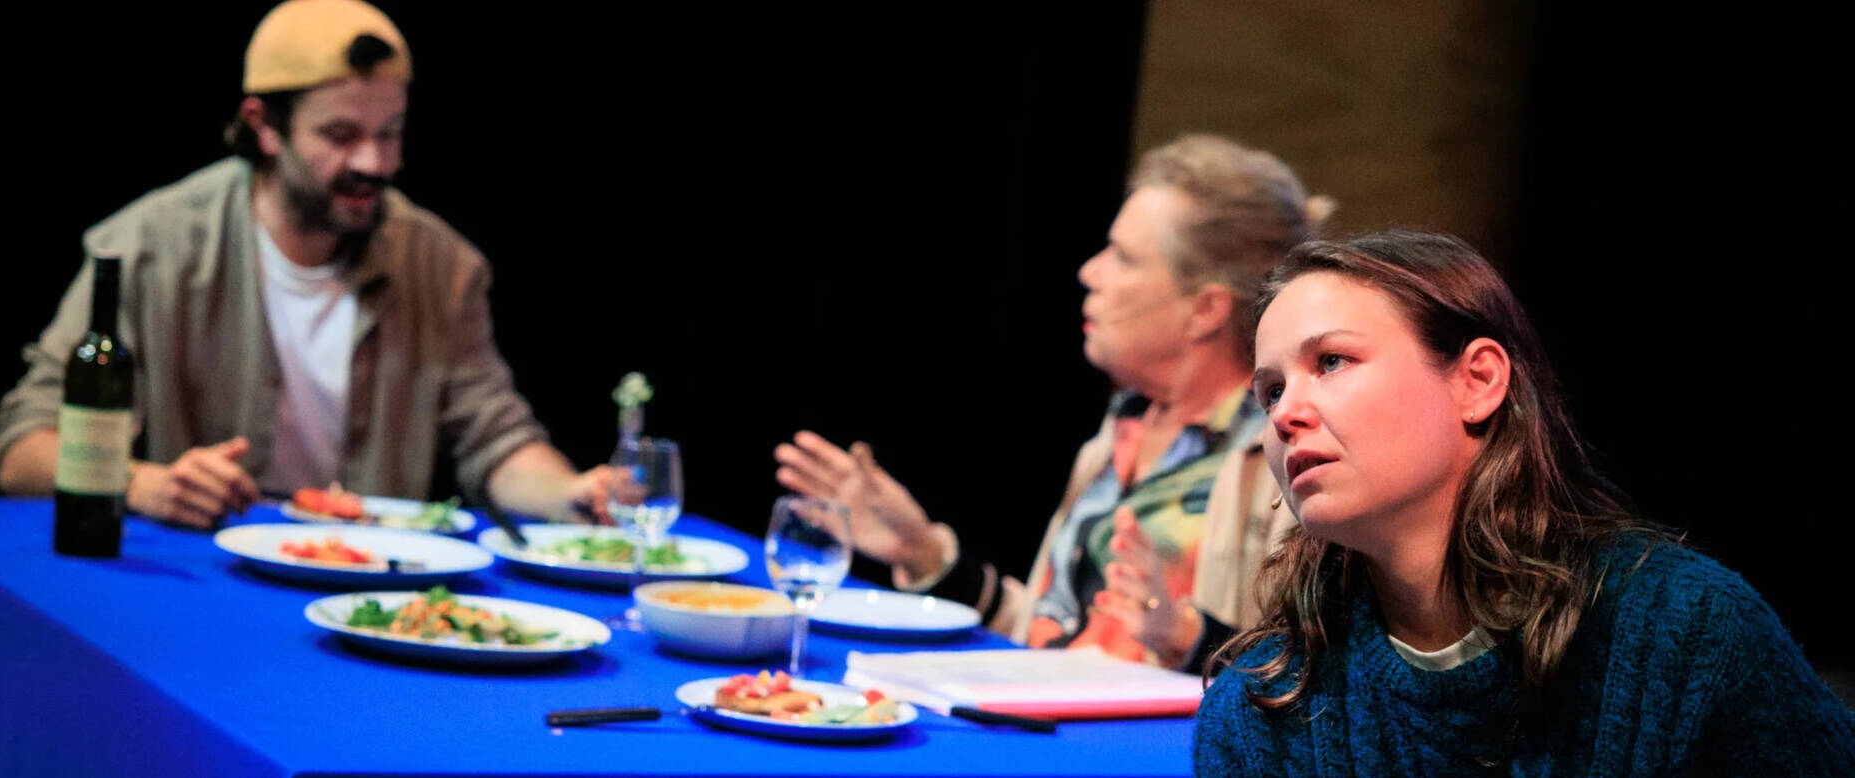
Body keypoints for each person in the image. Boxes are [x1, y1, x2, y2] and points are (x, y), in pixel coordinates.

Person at [1196, 230, 1855, 775]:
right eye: (1271, 391)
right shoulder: (1259, 708)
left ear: (1478, 381)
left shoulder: (1683, 633)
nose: (1286, 416)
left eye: (1332, 362)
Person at [0, 0, 609, 527]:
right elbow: (21, 448)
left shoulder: (439, 265)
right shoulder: (151, 246)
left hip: (368, 582)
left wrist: (571, 494)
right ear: (264, 126)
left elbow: (496, 442)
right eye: (340, 136)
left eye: (390, 133)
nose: (373, 162)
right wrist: (142, 482)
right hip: (204, 578)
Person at [775, 134, 1332, 669]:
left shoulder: (1276, 457)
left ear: (1205, 309)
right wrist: (923, 552)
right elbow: (1046, 636)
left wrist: (1186, 637)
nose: (1089, 273)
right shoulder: (1118, 435)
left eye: (1123, 257)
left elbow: (1304, 678)